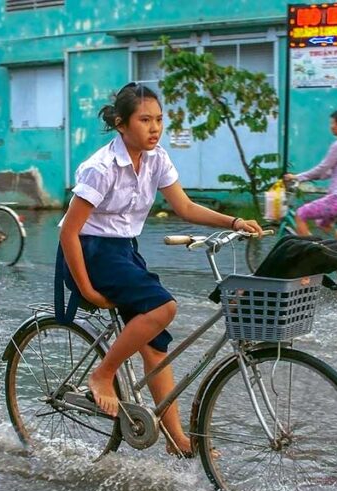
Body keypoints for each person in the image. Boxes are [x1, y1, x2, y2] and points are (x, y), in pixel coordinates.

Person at [56, 82, 263, 456]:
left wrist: (233, 222)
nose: (154, 128)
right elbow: (69, 232)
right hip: (91, 251)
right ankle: (103, 374)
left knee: (154, 347)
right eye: (144, 120)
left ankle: (174, 438)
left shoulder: (157, 159)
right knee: (163, 307)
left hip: (123, 252)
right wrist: (85, 289)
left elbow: (184, 207)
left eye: (159, 120)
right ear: (121, 124)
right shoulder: (100, 167)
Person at [283, 109, 337, 237]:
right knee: (322, 222)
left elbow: (322, 168)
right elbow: (333, 171)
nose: (331, 127)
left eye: (333, 124)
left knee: (300, 214)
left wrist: (297, 177)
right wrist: (318, 176)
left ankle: (311, 251)